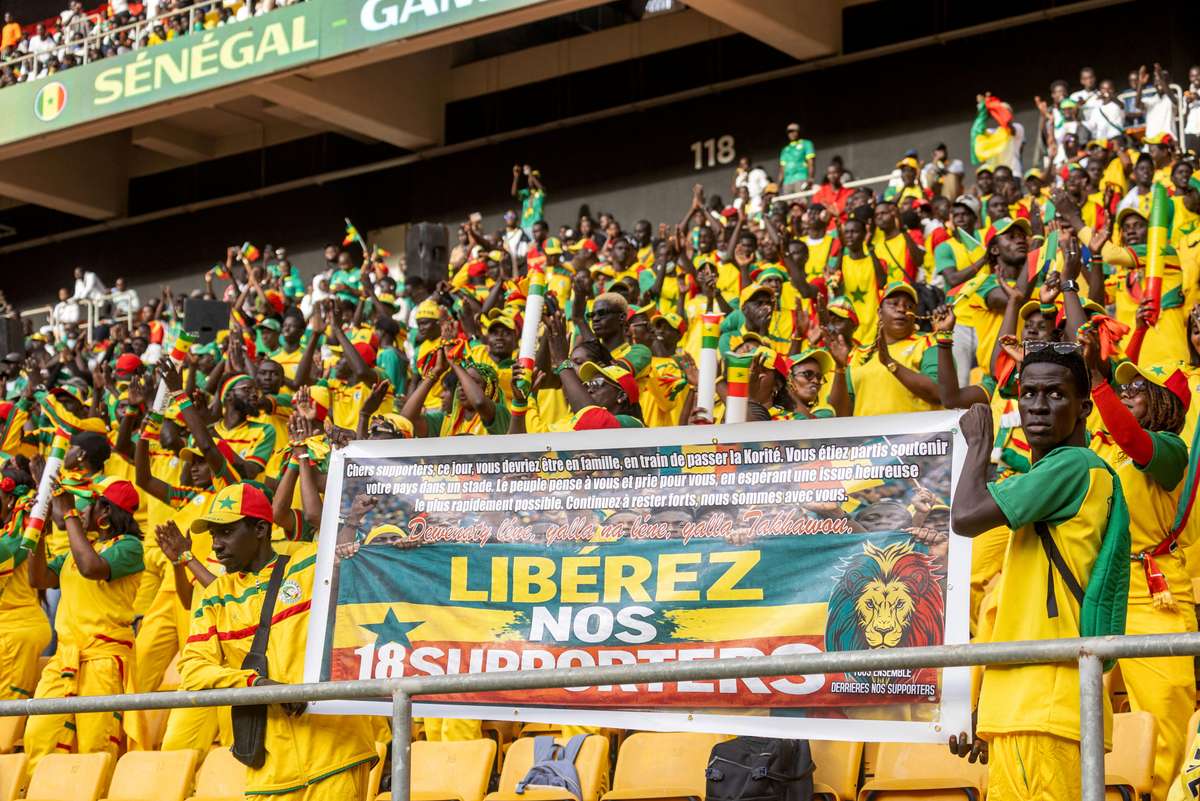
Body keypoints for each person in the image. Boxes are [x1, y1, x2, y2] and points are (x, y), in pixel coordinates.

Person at [950, 344, 1129, 800]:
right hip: (1024, 702)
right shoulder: (1050, 474)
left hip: (1045, 703)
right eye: (1028, 393)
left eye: (1055, 394)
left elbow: (966, 516)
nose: (1037, 406)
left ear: (1084, 407)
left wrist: (979, 446)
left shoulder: (1072, 466)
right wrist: (985, 703)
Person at [179, 483, 378, 799]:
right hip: (267, 768)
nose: (216, 545)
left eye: (226, 532)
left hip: (335, 753)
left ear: (260, 529)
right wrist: (258, 686)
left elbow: (354, 556)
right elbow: (192, 669)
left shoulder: (310, 563)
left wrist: (352, 518)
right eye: (213, 535)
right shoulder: (215, 596)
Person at [25, 478, 145, 773]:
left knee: (96, 748)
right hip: (64, 661)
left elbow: (92, 568)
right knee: (40, 736)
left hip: (103, 662)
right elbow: (38, 579)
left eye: (84, 504)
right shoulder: (79, 550)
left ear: (105, 514)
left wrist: (68, 516)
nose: (77, 508)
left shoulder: (130, 547)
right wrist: (38, 529)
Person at [778, 122, 815, 195]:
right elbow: (782, 170)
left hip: (801, 178)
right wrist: (779, 185)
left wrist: (810, 178)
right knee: (788, 204)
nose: (791, 133)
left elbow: (811, 162)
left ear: (798, 131)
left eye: (793, 131)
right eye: (789, 132)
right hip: (787, 181)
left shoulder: (806, 144)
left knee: (801, 202)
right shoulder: (785, 150)